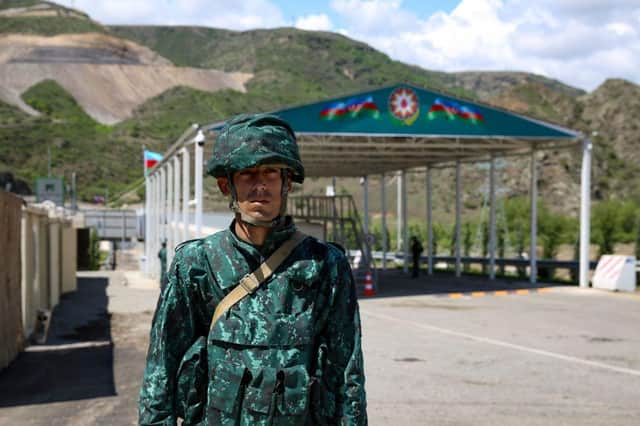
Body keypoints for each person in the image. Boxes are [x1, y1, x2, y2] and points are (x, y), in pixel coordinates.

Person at [138, 114, 367, 425]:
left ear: (287, 182)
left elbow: (347, 370)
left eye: (271, 173)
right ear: (225, 185)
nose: (260, 185)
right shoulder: (197, 264)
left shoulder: (325, 265)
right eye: (247, 174)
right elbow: (161, 366)